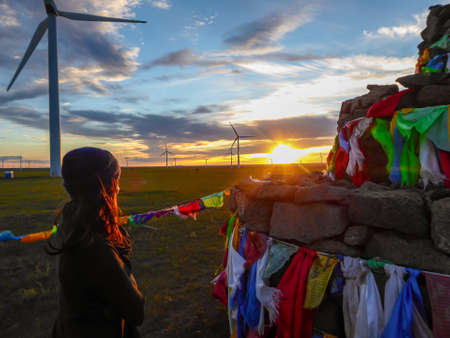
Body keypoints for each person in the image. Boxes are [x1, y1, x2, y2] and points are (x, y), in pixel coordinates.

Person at [47, 147, 145, 338]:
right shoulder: (94, 247)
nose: (118, 188)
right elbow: (136, 311)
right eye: (116, 180)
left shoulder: (70, 225)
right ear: (107, 186)